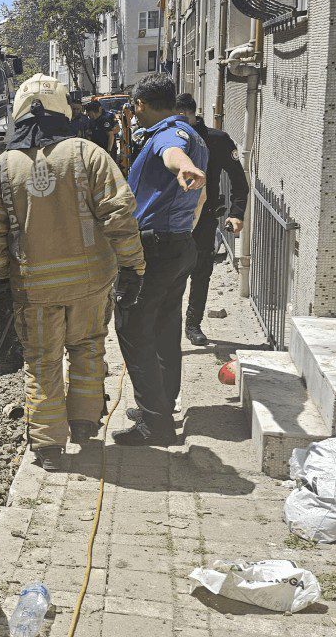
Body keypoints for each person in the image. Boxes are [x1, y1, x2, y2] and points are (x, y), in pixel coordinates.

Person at [0, 74, 146, 471]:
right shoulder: (88, 155)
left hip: (34, 291)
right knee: (88, 348)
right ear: (63, 110)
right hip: (90, 285)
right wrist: (133, 266)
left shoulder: (2, 168)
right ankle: (85, 424)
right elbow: (119, 215)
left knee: (41, 363)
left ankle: (48, 448)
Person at [112, 74, 208, 446]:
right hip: (178, 245)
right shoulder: (190, 131)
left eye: (135, 108)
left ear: (141, 104)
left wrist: (182, 167)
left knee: (132, 328)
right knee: (165, 327)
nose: (134, 116)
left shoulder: (168, 136)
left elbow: (172, 153)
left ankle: (155, 424)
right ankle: (161, 404)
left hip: (154, 249)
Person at [175, 94, 249, 347]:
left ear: (192, 114)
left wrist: (237, 213)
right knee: (170, 274)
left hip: (204, 219)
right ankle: (168, 325)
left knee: (202, 272)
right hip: (171, 221)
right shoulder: (167, 140)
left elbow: (240, 181)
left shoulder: (216, 140)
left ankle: (193, 324)